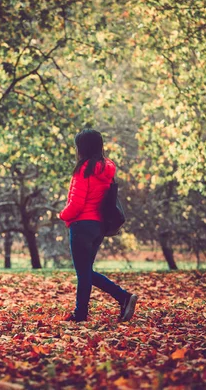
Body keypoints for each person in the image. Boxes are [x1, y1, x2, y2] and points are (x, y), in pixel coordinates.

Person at [59, 129, 137, 322]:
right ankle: (82, 313)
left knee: (84, 273)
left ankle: (122, 297)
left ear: (82, 148)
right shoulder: (107, 169)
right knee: (86, 271)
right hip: (98, 227)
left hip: (81, 226)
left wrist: (62, 215)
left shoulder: (83, 170)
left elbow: (76, 204)